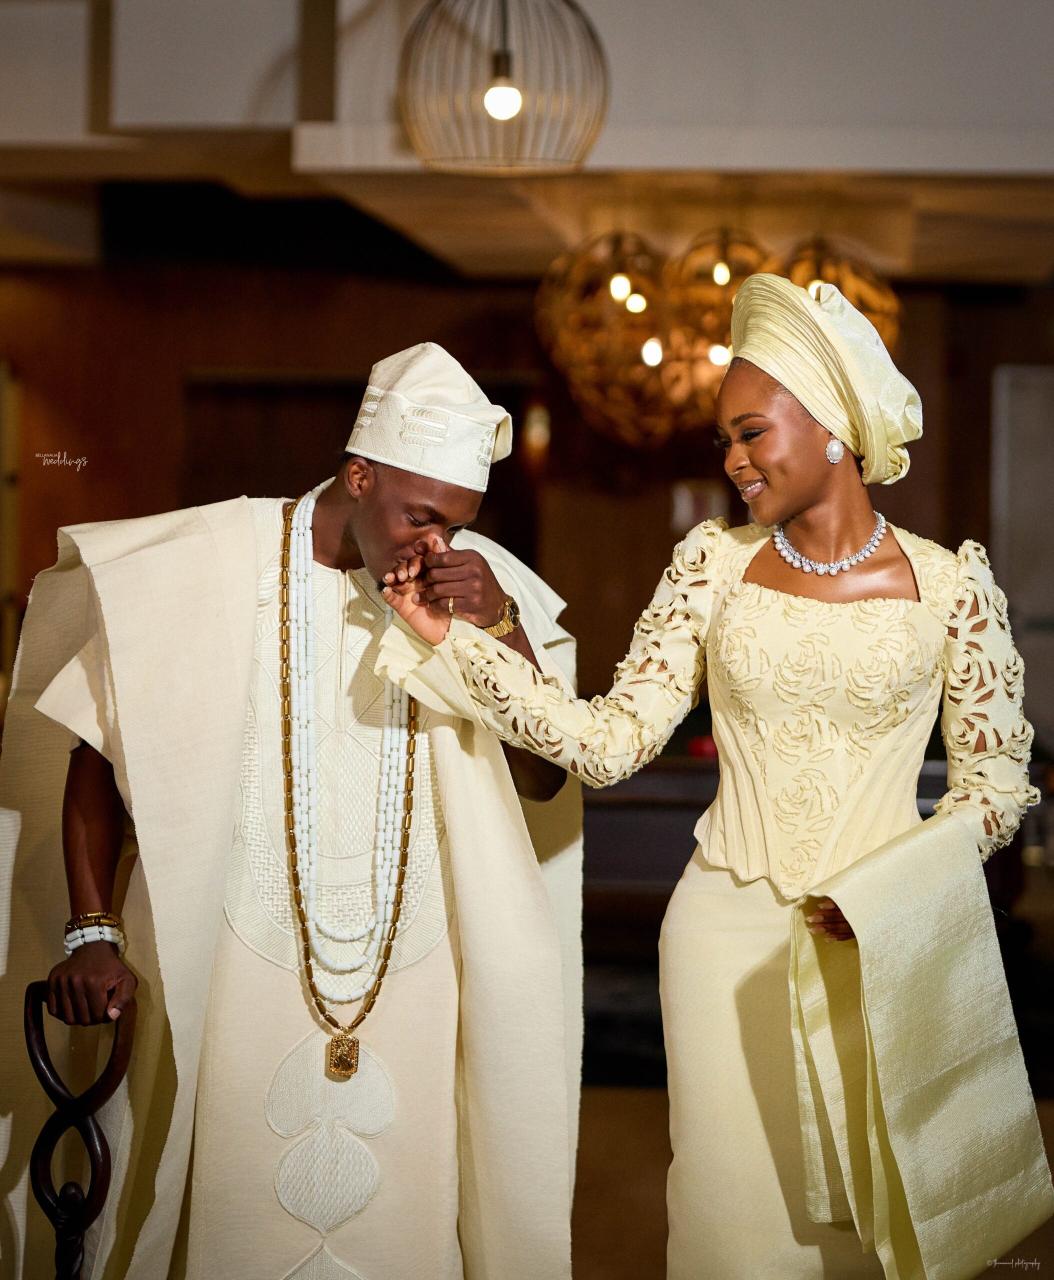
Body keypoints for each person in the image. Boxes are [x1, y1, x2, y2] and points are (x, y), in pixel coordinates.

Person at [381, 276, 1054, 1279]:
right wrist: (460, 644)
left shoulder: (952, 584)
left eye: (751, 433)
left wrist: (891, 895)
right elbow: (610, 743)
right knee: (729, 1223)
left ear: (833, 427)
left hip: (881, 936)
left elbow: (996, 785)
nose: (733, 460)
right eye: (723, 440)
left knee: (876, 1221)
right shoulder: (711, 564)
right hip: (720, 933)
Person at [0, 342, 583, 1280]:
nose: (437, 548)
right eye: (422, 517)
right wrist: (93, 931)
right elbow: (98, 756)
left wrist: (500, 631)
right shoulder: (208, 562)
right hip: (231, 960)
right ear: (359, 475)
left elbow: (547, 777)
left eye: (458, 525)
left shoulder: (472, 591)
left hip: (416, 971)